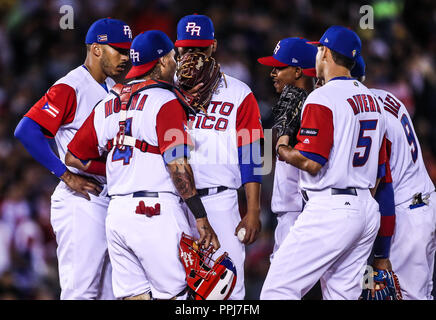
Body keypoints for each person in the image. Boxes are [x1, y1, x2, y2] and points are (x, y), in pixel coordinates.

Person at [65, 30, 220, 300]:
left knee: (134, 297)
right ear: (161, 62)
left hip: (117, 215)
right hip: (154, 211)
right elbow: (177, 165)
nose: (175, 62)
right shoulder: (165, 101)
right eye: (172, 57)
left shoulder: (107, 103)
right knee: (178, 295)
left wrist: (116, 169)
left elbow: (73, 157)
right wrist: (200, 216)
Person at [260, 26, 388, 300]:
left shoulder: (323, 97)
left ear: (325, 52)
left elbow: (311, 162)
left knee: (276, 291)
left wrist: (282, 146)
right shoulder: (374, 101)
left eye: (319, 49)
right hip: (365, 208)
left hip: (331, 207)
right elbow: (379, 171)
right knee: (342, 296)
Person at [14, 18, 132, 300]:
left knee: (109, 293)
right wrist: (65, 175)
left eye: (127, 50)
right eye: (118, 49)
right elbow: (26, 130)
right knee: (81, 291)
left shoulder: (114, 87)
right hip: (82, 201)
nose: (125, 57)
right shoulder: (71, 86)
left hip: (110, 197)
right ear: (96, 49)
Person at [174, 14, 264, 299]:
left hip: (220, 202)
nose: (193, 56)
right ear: (176, 50)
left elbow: (254, 154)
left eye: (200, 49)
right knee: (176, 291)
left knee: (226, 292)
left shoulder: (239, 91)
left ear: (213, 46)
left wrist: (252, 210)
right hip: (174, 203)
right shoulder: (165, 92)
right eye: (188, 49)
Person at [352, 56, 436, 300]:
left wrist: (381, 253)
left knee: (410, 296)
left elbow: (383, 184)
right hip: (423, 201)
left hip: (406, 214)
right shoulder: (385, 96)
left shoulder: (367, 114)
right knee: (422, 293)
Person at [257, 37, 316, 257]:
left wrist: (282, 142)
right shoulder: (308, 101)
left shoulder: (308, 105)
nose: (273, 73)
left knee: (279, 288)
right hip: (300, 209)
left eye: (279, 67)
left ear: (298, 71)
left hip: (298, 210)